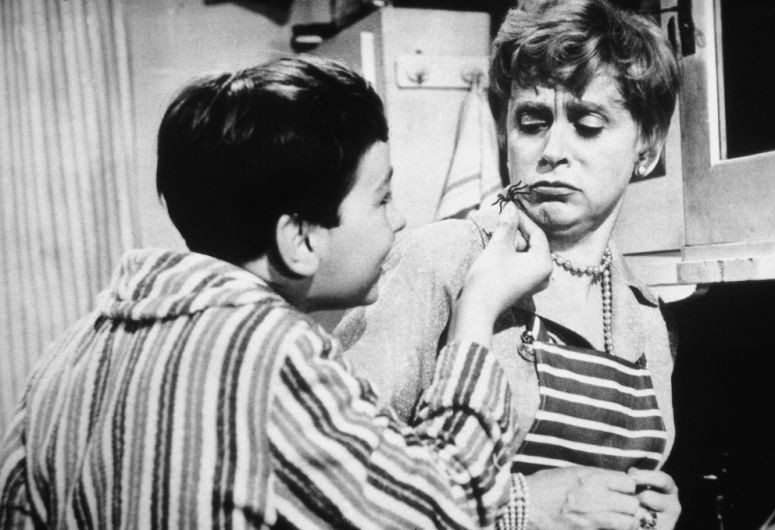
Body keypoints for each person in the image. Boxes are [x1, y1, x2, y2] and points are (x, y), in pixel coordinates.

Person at [0, 56, 554, 529]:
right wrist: (477, 310)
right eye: (382, 199)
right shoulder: (270, 356)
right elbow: (446, 507)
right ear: (300, 240)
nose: (399, 219)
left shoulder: (66, 356)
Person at [335, 1, 682, 528]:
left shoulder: (647, 316)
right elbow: (337, 485)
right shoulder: (443, 260)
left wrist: (646, 511)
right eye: (531, 122)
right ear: (504, 134)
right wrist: (519, 508)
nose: (553, 150)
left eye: (588, 124)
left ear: (648, 147)